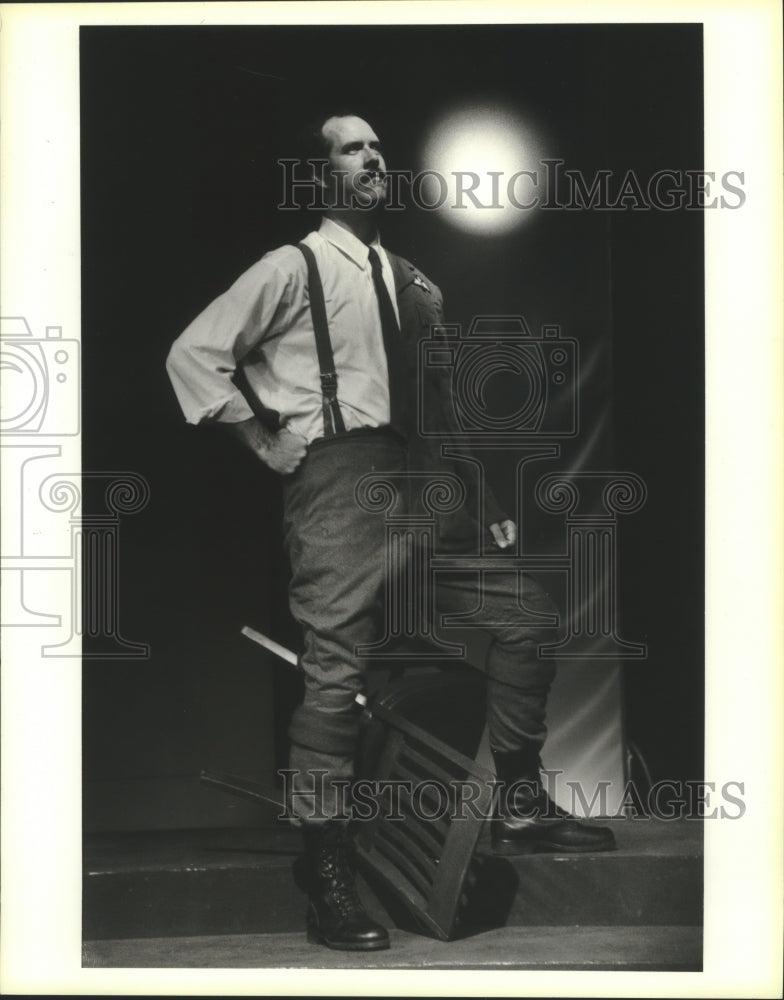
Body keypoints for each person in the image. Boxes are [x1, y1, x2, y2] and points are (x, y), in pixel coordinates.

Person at [167, 111, 615, 953]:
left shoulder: (418, 285)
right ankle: (326, 870)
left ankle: (516, 799)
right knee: (334, 676)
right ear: (318, 174)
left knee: (527, 617)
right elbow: (193, 354)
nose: (374, 158)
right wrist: (264, 437)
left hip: (429, 483)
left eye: (377, 147)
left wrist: (481, 502)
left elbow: (441, 410)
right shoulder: (289, 268)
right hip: (340, 484)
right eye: (351, 148)